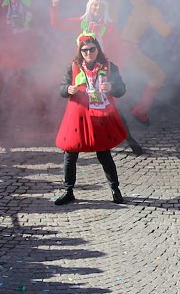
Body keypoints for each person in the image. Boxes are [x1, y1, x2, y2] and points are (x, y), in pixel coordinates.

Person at [50, 0, 143, 155]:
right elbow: (57, 23)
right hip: (82, 70)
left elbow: (117, 48)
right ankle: (78, 144)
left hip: (102, 70)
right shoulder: (81, 22)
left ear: (104, 8)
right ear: (89, 7)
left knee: (109, 108)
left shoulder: (110, 26)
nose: (97, 8)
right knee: (80, 106)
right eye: (94, 5)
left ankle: (128, 139)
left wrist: (113, 72)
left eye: (100, 6)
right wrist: (55, 6)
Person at [53, 34, 128, 206]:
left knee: (104, 153)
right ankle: (68, 190)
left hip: (100, 114)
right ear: (80, 51)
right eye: (84, 50)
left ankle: (115, 189)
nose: (88, 53)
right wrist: (68, 89)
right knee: (70, 153)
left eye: (92, 49)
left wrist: (112, 87)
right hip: (78, 114)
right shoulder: (73, 67)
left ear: (98, 49)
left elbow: (121, 89)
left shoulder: (110, 67)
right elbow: (62, 88)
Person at [116, 0, 174, 124]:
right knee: (158, 76)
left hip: (112, 47)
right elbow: (165, 32)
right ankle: (140, 110)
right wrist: (172, 23)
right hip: (129, 50)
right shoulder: (151, 10)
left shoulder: (122, 2)